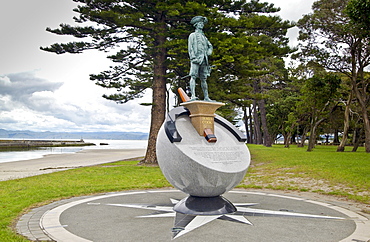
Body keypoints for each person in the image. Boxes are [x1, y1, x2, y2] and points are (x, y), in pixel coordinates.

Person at [188, 16, 213, 102]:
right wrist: (193, 57)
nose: (201, 25)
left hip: (204, 59)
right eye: (200, 23)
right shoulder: (192, 35)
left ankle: (206, 97)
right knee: (193, 76)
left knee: (204, 78)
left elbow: (210, 46)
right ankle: (193, 96)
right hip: (196, 59)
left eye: (202, 24)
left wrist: (209, 52)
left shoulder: (204, 38)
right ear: (196, 25)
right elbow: (190, 48)